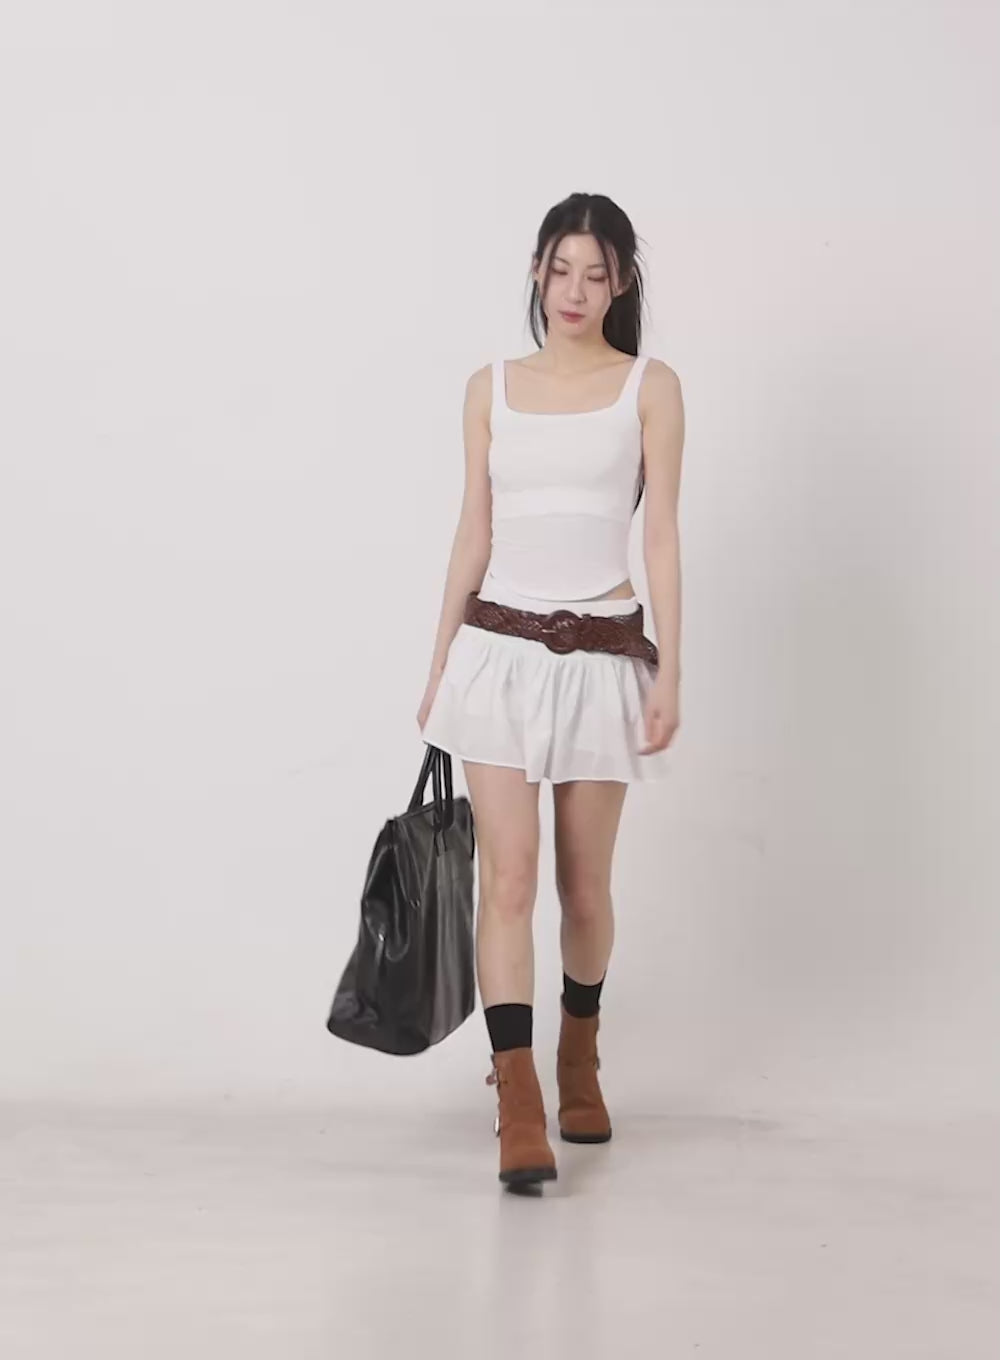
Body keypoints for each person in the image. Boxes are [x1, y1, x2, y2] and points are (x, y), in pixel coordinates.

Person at [417, 192, 685, 1190]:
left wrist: (671, 668)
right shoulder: (489, 386)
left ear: (621, 283)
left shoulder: (649, 387)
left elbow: (661, 535)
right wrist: (439, 660)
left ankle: (579, 1052)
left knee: (582, 887)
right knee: (509, 881)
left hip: (603, 654)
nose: (575, 290)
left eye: (595, 273)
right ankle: (518, 1096)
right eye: (560, 269)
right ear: (537, 271)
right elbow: (472, 530)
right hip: (497, 654)